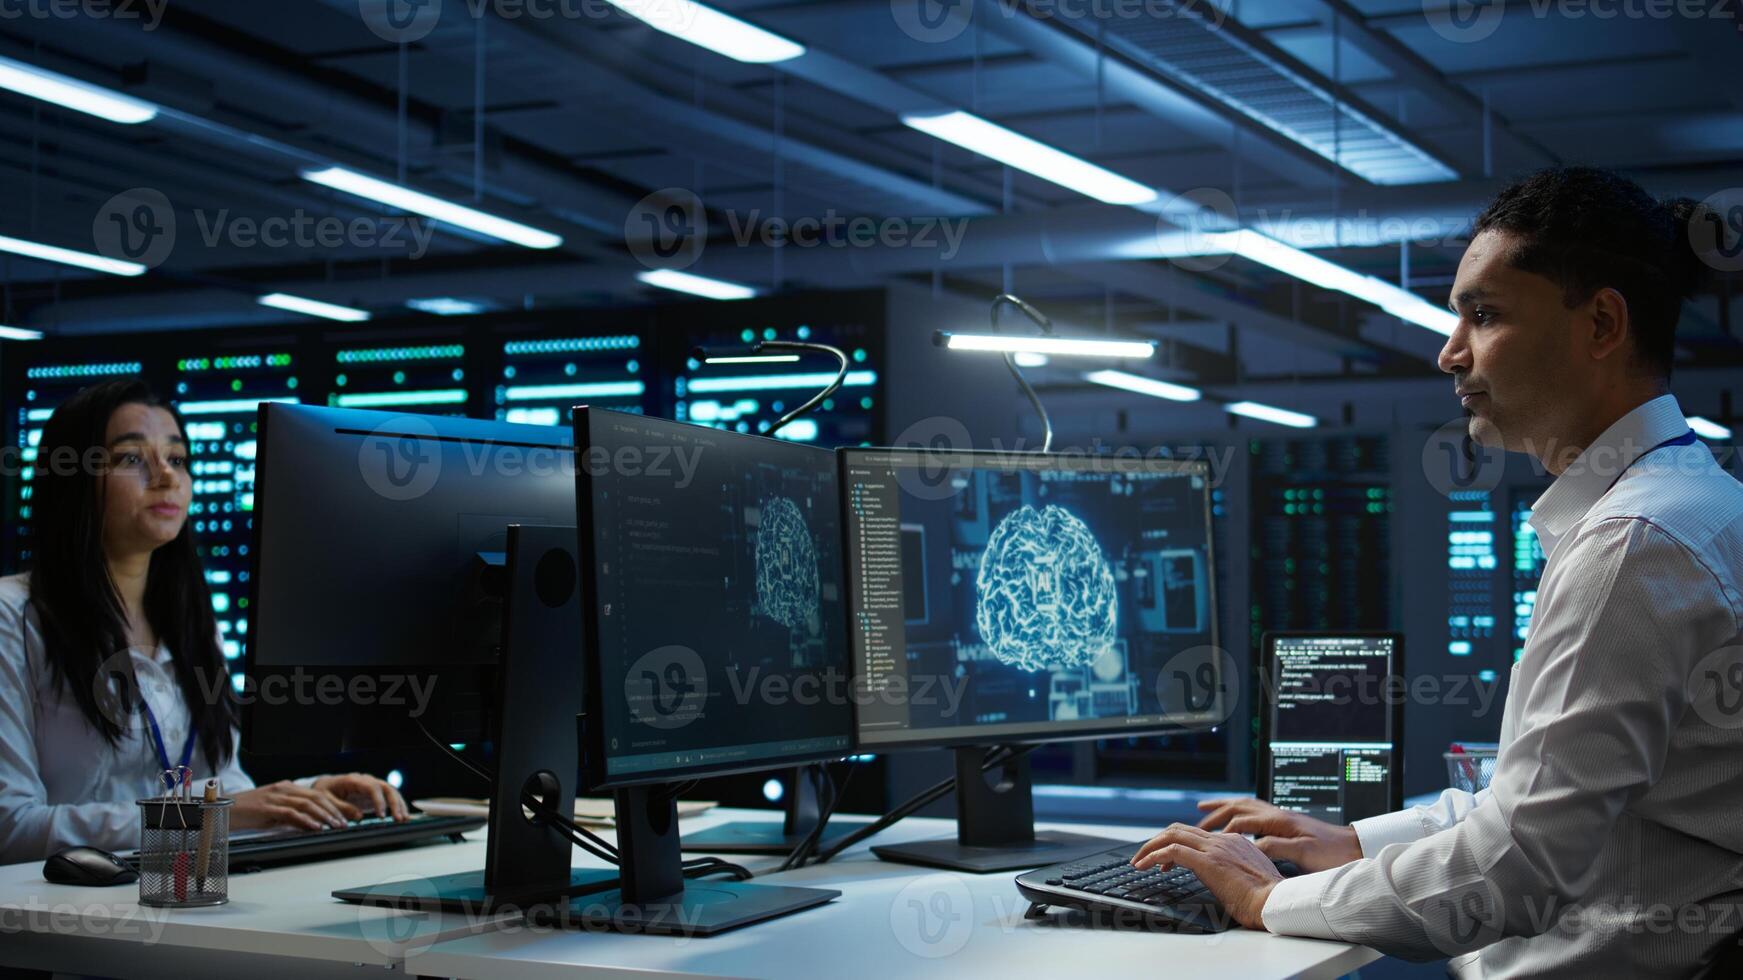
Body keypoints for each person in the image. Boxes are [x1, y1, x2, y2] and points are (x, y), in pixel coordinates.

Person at [1133, 167, 1743, 976]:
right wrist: (1352, 838)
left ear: (1600, 324)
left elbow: (1514, 868)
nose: (1448, 352)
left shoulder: (1632, 543)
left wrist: (1264, 899)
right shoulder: (1694, 506)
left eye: (1483, 316)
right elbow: (1537, 802)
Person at [0, 379, 407, 864]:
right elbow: (12, 827)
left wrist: (304, 795)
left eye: (176, 459)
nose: (166, 477)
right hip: (51, 911)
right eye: (132, 458)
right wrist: (207, 816)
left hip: (176, 893)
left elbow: (221, 788)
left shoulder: (186, 616)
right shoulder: (13, 616)